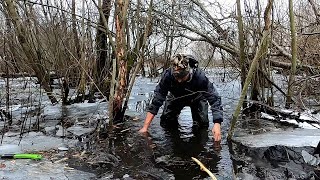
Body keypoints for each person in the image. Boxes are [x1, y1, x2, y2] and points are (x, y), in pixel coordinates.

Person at [138, 53, 223, 142]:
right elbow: (157, 99)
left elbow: (214, 98)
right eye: (176, 77)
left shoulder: (199, 77)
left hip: (197, 98)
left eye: (182, 77)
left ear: (189, 72)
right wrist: (145, 127)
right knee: (166, 122)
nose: (179, 80)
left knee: (202, 125)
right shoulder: (167, 76)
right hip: (175, 97)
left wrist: (217, 123)